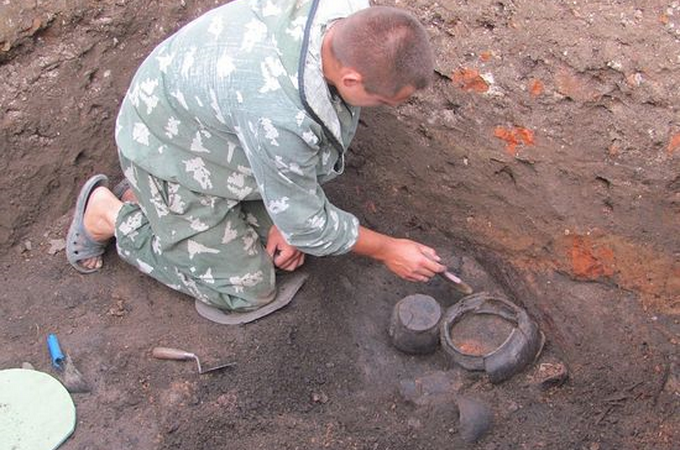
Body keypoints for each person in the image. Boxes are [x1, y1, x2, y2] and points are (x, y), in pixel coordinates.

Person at [66, 0, 446, 323]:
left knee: (290, 237)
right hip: (166, 152)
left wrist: (288, 218)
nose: (382, 109)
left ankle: (159, 206)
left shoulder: (346, 16)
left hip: (219, 136)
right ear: (349, 79)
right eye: (383, 102)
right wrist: (387, 249)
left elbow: (298, 185)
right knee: (251, 289)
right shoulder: (280, 116)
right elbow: (308, 224)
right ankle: (112, 216)